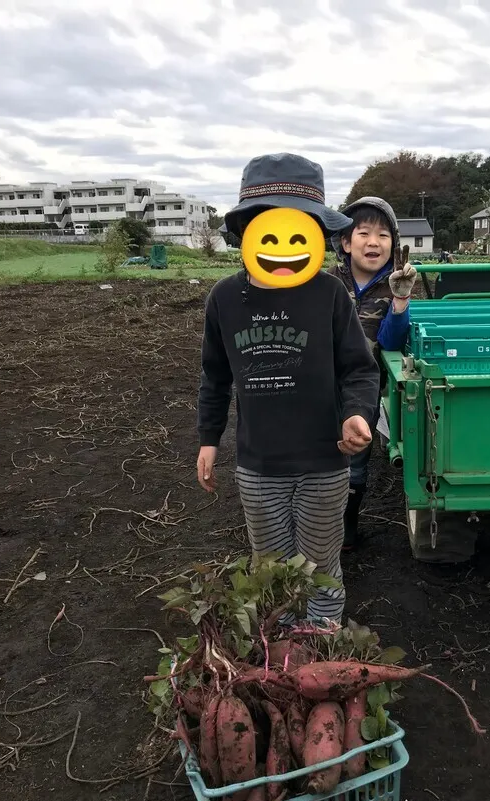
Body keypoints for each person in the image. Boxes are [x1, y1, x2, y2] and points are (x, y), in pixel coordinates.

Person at [196, 153, 380, 623]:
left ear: (317, 233)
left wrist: (357, 413)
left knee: (321, 566)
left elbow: (358, 368)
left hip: (323, 461)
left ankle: (322, 641)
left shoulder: (329, 294)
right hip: (259, 465)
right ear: (248, 229)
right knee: (271, 569)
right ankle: (279, 651)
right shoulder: (225, 298)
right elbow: (215, 376)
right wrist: (208, 440)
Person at [327, 197, 417, 550]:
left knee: (356, 457)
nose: (373, 241)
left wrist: (400, 302)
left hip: (365, 388)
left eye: (383, 234)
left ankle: (348, 525)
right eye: (363, 232)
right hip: (322, 385)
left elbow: (392, 341)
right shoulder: (327, 284)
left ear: (393, 244)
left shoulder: (395, 284)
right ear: (346, 242)